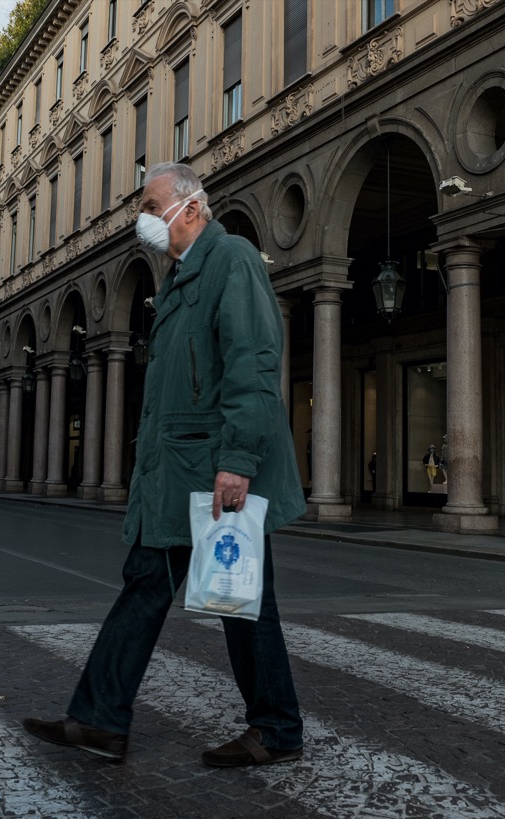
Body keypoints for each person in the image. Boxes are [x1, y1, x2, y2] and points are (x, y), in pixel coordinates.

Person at [22, 162, 306, 768]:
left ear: (192, 207)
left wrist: (237, 460)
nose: (144, 220)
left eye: (152, 206)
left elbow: (253, 363)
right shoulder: (180, 277)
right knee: (165, 586)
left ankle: (274, 728)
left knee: (238, 596)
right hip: (180, 469)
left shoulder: (231, 260)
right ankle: (100, 720)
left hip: (212, 469)